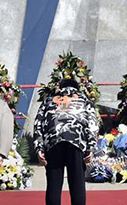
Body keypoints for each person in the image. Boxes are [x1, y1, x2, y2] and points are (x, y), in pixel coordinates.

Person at [34, 77, 99, 205]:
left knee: (53, 184)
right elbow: (92, 124)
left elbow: (38, 125)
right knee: (77, 184)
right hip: (76, 142)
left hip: (53, 141)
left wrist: (39, 148)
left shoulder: (48, 101)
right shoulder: (85, 100)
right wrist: (91, 147)